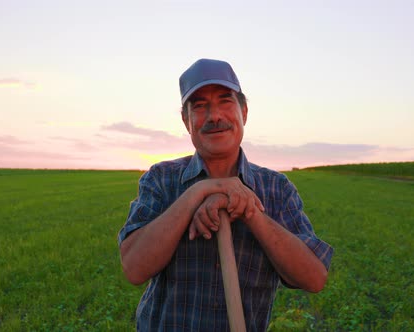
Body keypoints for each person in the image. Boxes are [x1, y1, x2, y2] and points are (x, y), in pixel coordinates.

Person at [118, 58, 333, 331]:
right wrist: (199, 191)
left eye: (225, 101)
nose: (214, 116)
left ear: (244, 111)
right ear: (186, 121)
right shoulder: (161, 179)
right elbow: (134, 267)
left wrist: (248, 209)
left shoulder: (276, 188)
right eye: (199, 106)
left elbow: (314, 278)